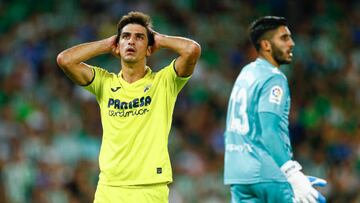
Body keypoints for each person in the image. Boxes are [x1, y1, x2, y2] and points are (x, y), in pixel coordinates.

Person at [56, 11, 201, 203]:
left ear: (150, 49)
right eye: (125, 37)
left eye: (139, 37)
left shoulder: (164, 82)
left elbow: (191, 50)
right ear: (118, 45)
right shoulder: (104, 83)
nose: (131, 41)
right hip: (109, 188)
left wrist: (158, 39)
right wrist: (107, 44)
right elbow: (65, 60)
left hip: (149, 189)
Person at [223, 16, 326, 203]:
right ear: (266, 45)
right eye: (284, 38)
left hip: (238, 174)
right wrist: (292, 174)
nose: (292, 43)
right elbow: (269, 132)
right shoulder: (273, 78)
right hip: (267, 173)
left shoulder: (246, 73)